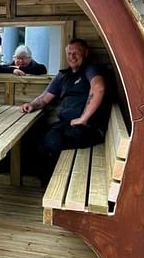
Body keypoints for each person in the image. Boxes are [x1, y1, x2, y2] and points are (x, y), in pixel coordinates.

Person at [20, 38, 107, 184]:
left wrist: (83, 118)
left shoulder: (91, 69)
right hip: (66, 124)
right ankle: (46, 184)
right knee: (31, 137)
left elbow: (99, 88)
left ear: (85, 53)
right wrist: (32, 105)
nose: (72, 57)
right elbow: (44, 98)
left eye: (76, 53)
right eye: (69, 53)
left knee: (52, 142)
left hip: (88, 128)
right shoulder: (63, 75)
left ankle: (55, 186)